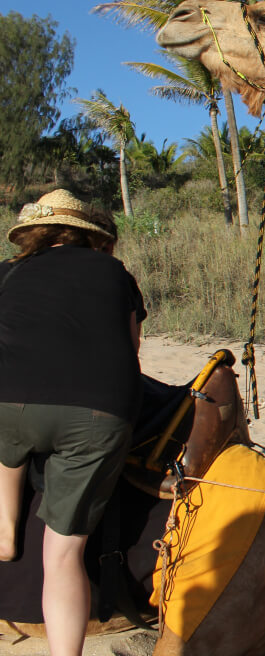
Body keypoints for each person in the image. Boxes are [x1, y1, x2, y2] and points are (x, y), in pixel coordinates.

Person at [0, 189, 145, 656]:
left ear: (35, 235)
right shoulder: (115, 273)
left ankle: (4, 527)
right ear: (91, 237)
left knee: (7, 440)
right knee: (63, 557)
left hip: (11, 405)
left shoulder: (8, 273)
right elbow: (132, 349)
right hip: (98, 412)